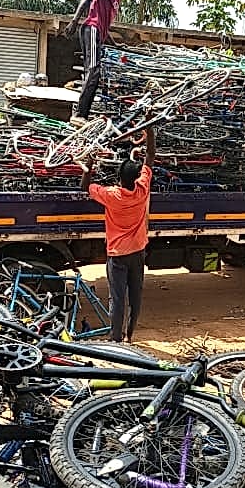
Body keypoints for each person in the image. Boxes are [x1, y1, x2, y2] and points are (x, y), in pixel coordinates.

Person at [81, 126, 155, 343]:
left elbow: (85, 186)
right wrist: (149, 125)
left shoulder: (111, 195)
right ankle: (130, 335)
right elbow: (151, 155)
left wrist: (90, 163)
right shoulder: (142, 189)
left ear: (120, 179)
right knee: (135, 296)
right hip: (138, 251)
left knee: (117, 298)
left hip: (117, 254)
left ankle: (115, 339)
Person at [65, 0, 137, 121]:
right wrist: (74, 21)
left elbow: (105, 26)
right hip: (91, 29)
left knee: (93, 75)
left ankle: (82, 115)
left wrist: (115, 44)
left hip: (98, 33)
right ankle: (79, 114)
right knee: (93, 70)